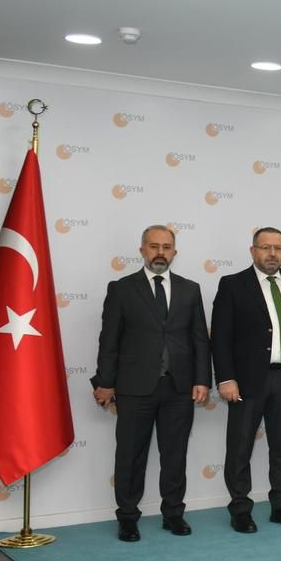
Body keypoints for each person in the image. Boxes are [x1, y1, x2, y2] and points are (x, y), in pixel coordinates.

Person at [90, 225, 211, 542]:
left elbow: (199, 338)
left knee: (175, 455)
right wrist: (105, 382)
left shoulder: (190, 289)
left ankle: (174, 514)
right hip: (134, 388)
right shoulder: (122, 289)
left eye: (166, 247)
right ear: (142, 250)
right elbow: (109, 341)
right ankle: (128, 518)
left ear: (174, 252)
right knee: (130, 456)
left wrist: (202, 379)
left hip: (179, 388)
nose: (160, 252)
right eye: (154, 246)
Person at [210, 227, 281, 532]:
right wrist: (226, 378)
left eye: (278, 248)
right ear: (253, 251)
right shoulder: (232, 284)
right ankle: (240, 508)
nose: (272, 254)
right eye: (266, 247)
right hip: (246, 380)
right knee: (240, 446)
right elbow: (221, 337)